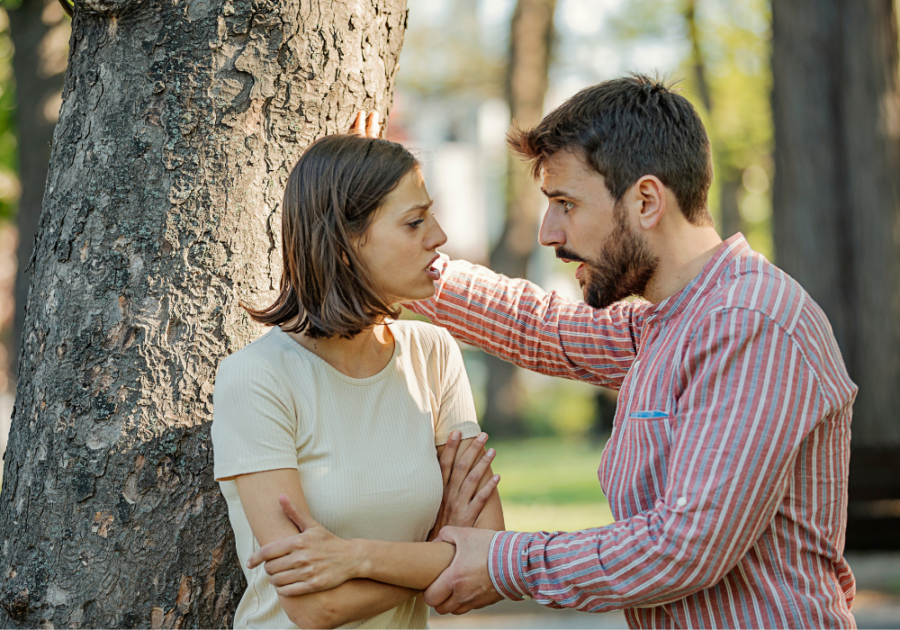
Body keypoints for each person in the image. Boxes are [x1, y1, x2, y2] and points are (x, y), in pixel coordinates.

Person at [267, 77, 858, 628]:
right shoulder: (671, 322)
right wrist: (378, 227)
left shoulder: (749, 326)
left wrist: (505, 561)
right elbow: (539, 326)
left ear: (646, 202)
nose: (550, 233)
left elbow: (683, 548)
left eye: (566, 204)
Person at [211, 122, 505, 629]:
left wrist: (354, 559)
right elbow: (313, 606)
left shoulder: (432, 355)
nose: (439, 237)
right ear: (345, 243)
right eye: (414, 223)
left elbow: (489, 562)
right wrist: (442, 548)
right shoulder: (257, 379)